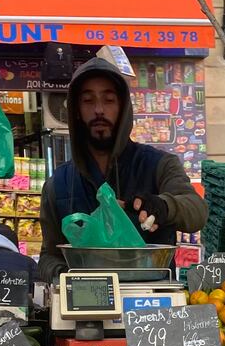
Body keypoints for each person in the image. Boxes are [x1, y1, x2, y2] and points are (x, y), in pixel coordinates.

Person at [38, 57, 208, 281]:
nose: (99, 110)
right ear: (77, 111)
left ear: (123, 108)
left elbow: (197, 211)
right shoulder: (57, 184)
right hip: (85, 309)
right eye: (88, 101)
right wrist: (65, 275)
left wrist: (164, 206)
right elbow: (48, 257)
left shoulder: (159, 164)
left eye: (109, 100)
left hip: (152, 307)